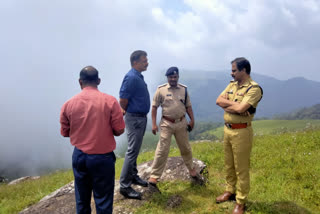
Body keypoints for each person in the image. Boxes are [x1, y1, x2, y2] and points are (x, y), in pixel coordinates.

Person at [60, 66, 125, 214]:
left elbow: (65, 132)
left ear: (80, 82)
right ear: (98, 81)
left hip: (80, 156)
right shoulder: (110, 101)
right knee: (103, 200)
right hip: (103, 157)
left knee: (82, 200)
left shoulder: (68, 104)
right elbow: (119, 130)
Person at [215, 58, 263, 214]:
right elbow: (218, 100)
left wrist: (231, 106)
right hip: (227, 130)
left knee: (241, 168)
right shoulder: (232, 84)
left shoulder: (254, 89)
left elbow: (242, 107)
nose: (232, 73)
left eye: (234, 70)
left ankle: (241, 202)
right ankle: (230, 191)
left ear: (244, 70)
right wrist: (236, 108)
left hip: (242, 131)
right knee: (229, 164)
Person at [148, 66, 200, 187]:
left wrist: (192, 120)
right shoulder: (161, 90)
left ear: (178, 77)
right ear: (167, 77)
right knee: (162, 149)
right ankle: (154, 176)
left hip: (181, 122)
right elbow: (154, 107)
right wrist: (154, 124)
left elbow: (188, 106)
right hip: (167, 123)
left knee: (185, 148)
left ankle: (192, 170)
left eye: (175, 77)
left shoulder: (184, 90)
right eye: (171, 77)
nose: (173, 79)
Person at [119, 50, 150, 200]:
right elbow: (123, 99)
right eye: (144, 60)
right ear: (135, 62)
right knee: (132, 150)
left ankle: (133, 175)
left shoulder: (137, 76)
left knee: (135, 149)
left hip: (140, 118)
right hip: (135, 118)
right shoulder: (131, 77)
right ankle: (124, 186)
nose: (147, 62)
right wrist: (128, 111)